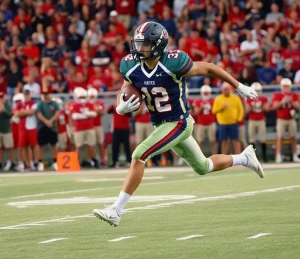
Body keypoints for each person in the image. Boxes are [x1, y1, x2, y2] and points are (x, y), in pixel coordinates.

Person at [93, 21, 263, 227]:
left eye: (145, 44)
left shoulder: (173, 62)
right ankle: (244, 158)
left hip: (178, 122)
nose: (140, 48)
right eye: (138, 43)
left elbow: (208, 67)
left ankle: (116, 210)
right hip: (161, 125)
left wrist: (238, 85)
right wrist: (121, 106)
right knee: (203, 166)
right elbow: (126, 88)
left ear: (158, 45)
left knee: (139, 154)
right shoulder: (131, 65)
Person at [36, 91, 60, 170]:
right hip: (42, 127)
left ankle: (55, 162)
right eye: (44, 94)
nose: (46, 95)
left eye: (47, 94)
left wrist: (51, 121)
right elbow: (39, 114)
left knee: (53, 145)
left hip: (52, 127)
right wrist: (46, 121)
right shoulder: (40, 104)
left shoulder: (54, 104)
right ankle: (40, 162)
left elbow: (57, 113)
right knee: (41, 145)